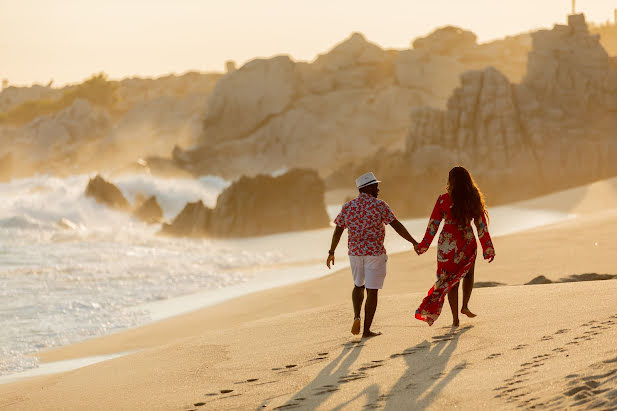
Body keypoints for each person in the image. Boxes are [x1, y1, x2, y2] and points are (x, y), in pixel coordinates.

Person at [327, 172, 418, 338]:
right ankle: (366, 331)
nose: (378, 188)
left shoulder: (348, 206)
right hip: (374, 253)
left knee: (358, 285)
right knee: (372, 291)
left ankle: (356, 316)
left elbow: (338, 230)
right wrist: (413, 242)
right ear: (367, 187)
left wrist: (331, 252)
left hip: (355, 253)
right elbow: (396, 225)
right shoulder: (379, 205)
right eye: (375, 185)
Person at [414, 166, 495, 327]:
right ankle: (464, 306)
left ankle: (455, 319)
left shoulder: (443, 199)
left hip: (447, 244)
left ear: (451, 181)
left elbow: (433, 226)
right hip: (466, 240)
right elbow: (481, 226)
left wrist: (423, 246)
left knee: (450, 280)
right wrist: (487, 248)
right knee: (468, 274)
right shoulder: (473, 199)